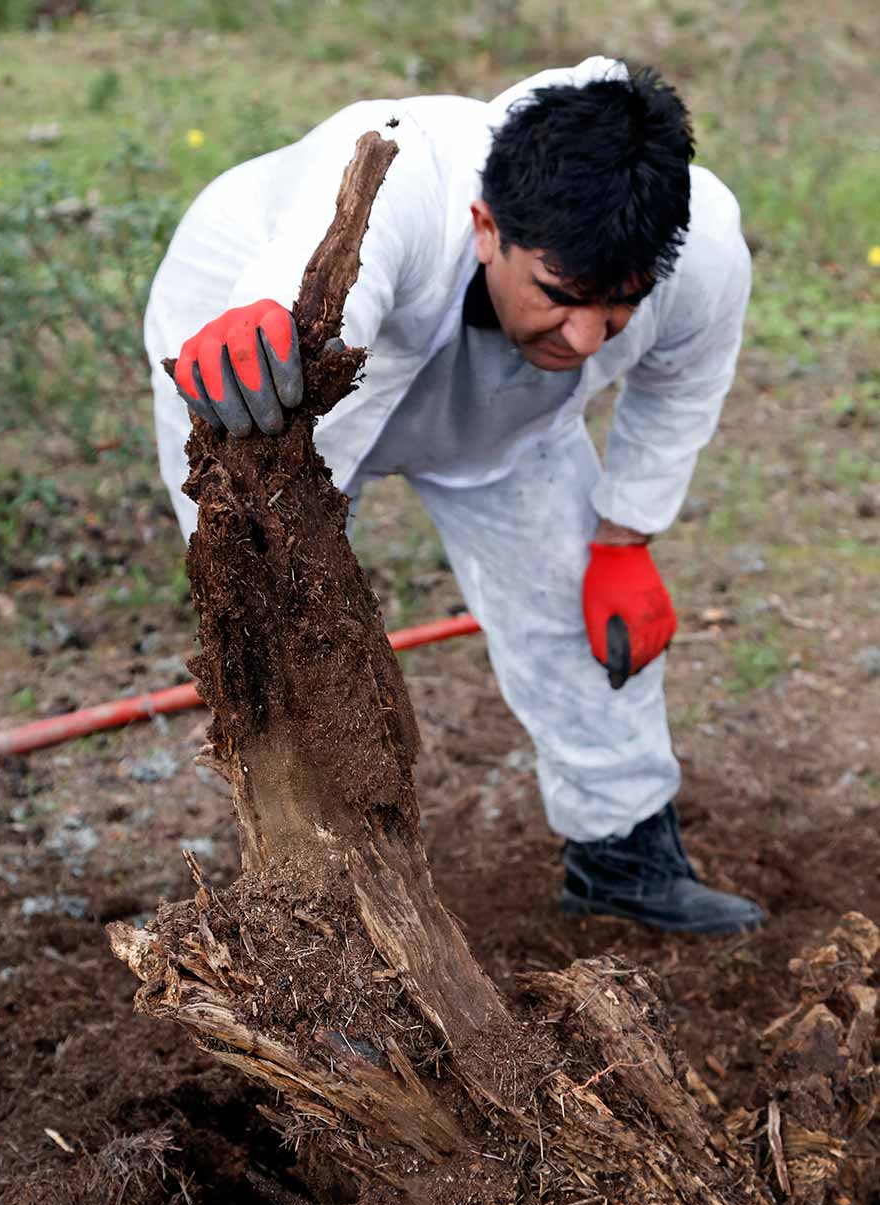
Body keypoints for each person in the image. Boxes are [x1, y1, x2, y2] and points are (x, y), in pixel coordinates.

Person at [145, 56, 764, 936]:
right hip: (260, 383)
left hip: (508, 410)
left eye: (619, 307)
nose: (588, 336)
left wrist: (625, 540)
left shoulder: (697, 254)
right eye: (564, 296)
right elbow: (312, 282)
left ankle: (623, 854)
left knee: (579, 612)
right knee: (282, 636)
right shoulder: (404, 175)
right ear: (486, 226)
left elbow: (680, 390)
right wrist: (266, 323)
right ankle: (320, 913)